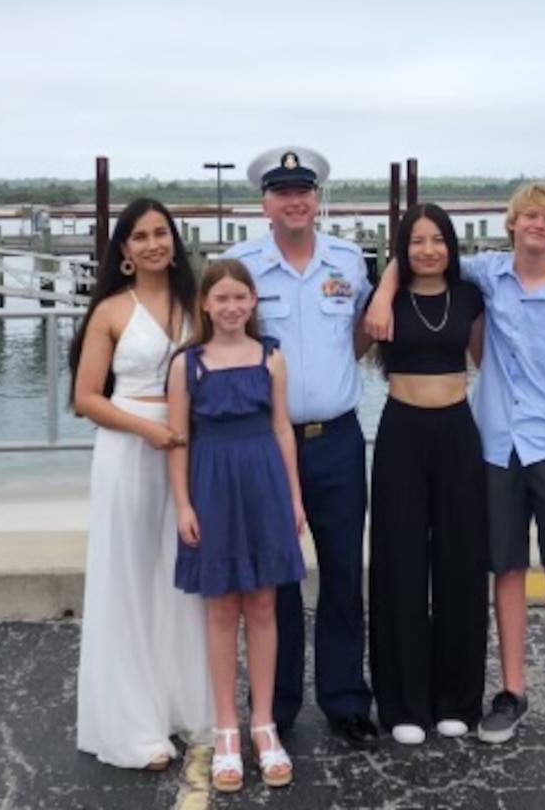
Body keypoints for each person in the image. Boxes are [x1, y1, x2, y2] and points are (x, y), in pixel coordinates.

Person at [366, 180, 545, 748]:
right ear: (510, 224)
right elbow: (418, 254)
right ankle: (511, 692)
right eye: (527, 216)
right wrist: (383, 284)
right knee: (503, 567)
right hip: (497, 444)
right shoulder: (487, 277)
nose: (537, 226)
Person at [223, 147, 379, 747]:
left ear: (318, 199)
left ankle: (344, 700)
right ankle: (279, 703)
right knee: (276, 577)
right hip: (265, 441)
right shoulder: (240, 266)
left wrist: (330, 380)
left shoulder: (347, 260)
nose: (295, 201)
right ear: (264, 203)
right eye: (282, 191)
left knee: (343, 572)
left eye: (304, 191)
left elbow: (361, 333)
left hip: (337, 438)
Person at [67, 197, 213, 769]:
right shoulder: (109, 311)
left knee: (178, 580)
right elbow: (85, 399)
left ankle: (182, 705)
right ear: (124, 251)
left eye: (161, 233)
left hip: (187, 451)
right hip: (129, 451)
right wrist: (147, 432)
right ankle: (130, 725)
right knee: (127, 579)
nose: (153, 243)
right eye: (140, 236)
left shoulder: (193, 304)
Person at [167, 259, 307, 792]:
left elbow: (282, 430)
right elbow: (177, 439)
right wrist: (183, 504)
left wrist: (294, 496)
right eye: (220, 298)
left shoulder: (271, 357)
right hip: (211, 486)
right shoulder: (188, 364)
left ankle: (263, 724)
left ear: (253, 303)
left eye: (239, 298)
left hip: (264, 484)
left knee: (265, 604)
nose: (230, 307)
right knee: (222, 606)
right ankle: (226, 726)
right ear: (205, 303)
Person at [368, 203, 488, 746]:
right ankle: (403, 703)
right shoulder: (386, 296)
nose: (428, 250)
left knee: (461, 565)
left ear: (451, 245)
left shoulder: (469, 296)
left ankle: (457, 699)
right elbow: (354, 348)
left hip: (459, 432)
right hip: (401, 434)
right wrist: (386, 283)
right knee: (400, 566)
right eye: (416, 241)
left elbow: (488, 359)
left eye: (437, 239)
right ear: (403, 247)